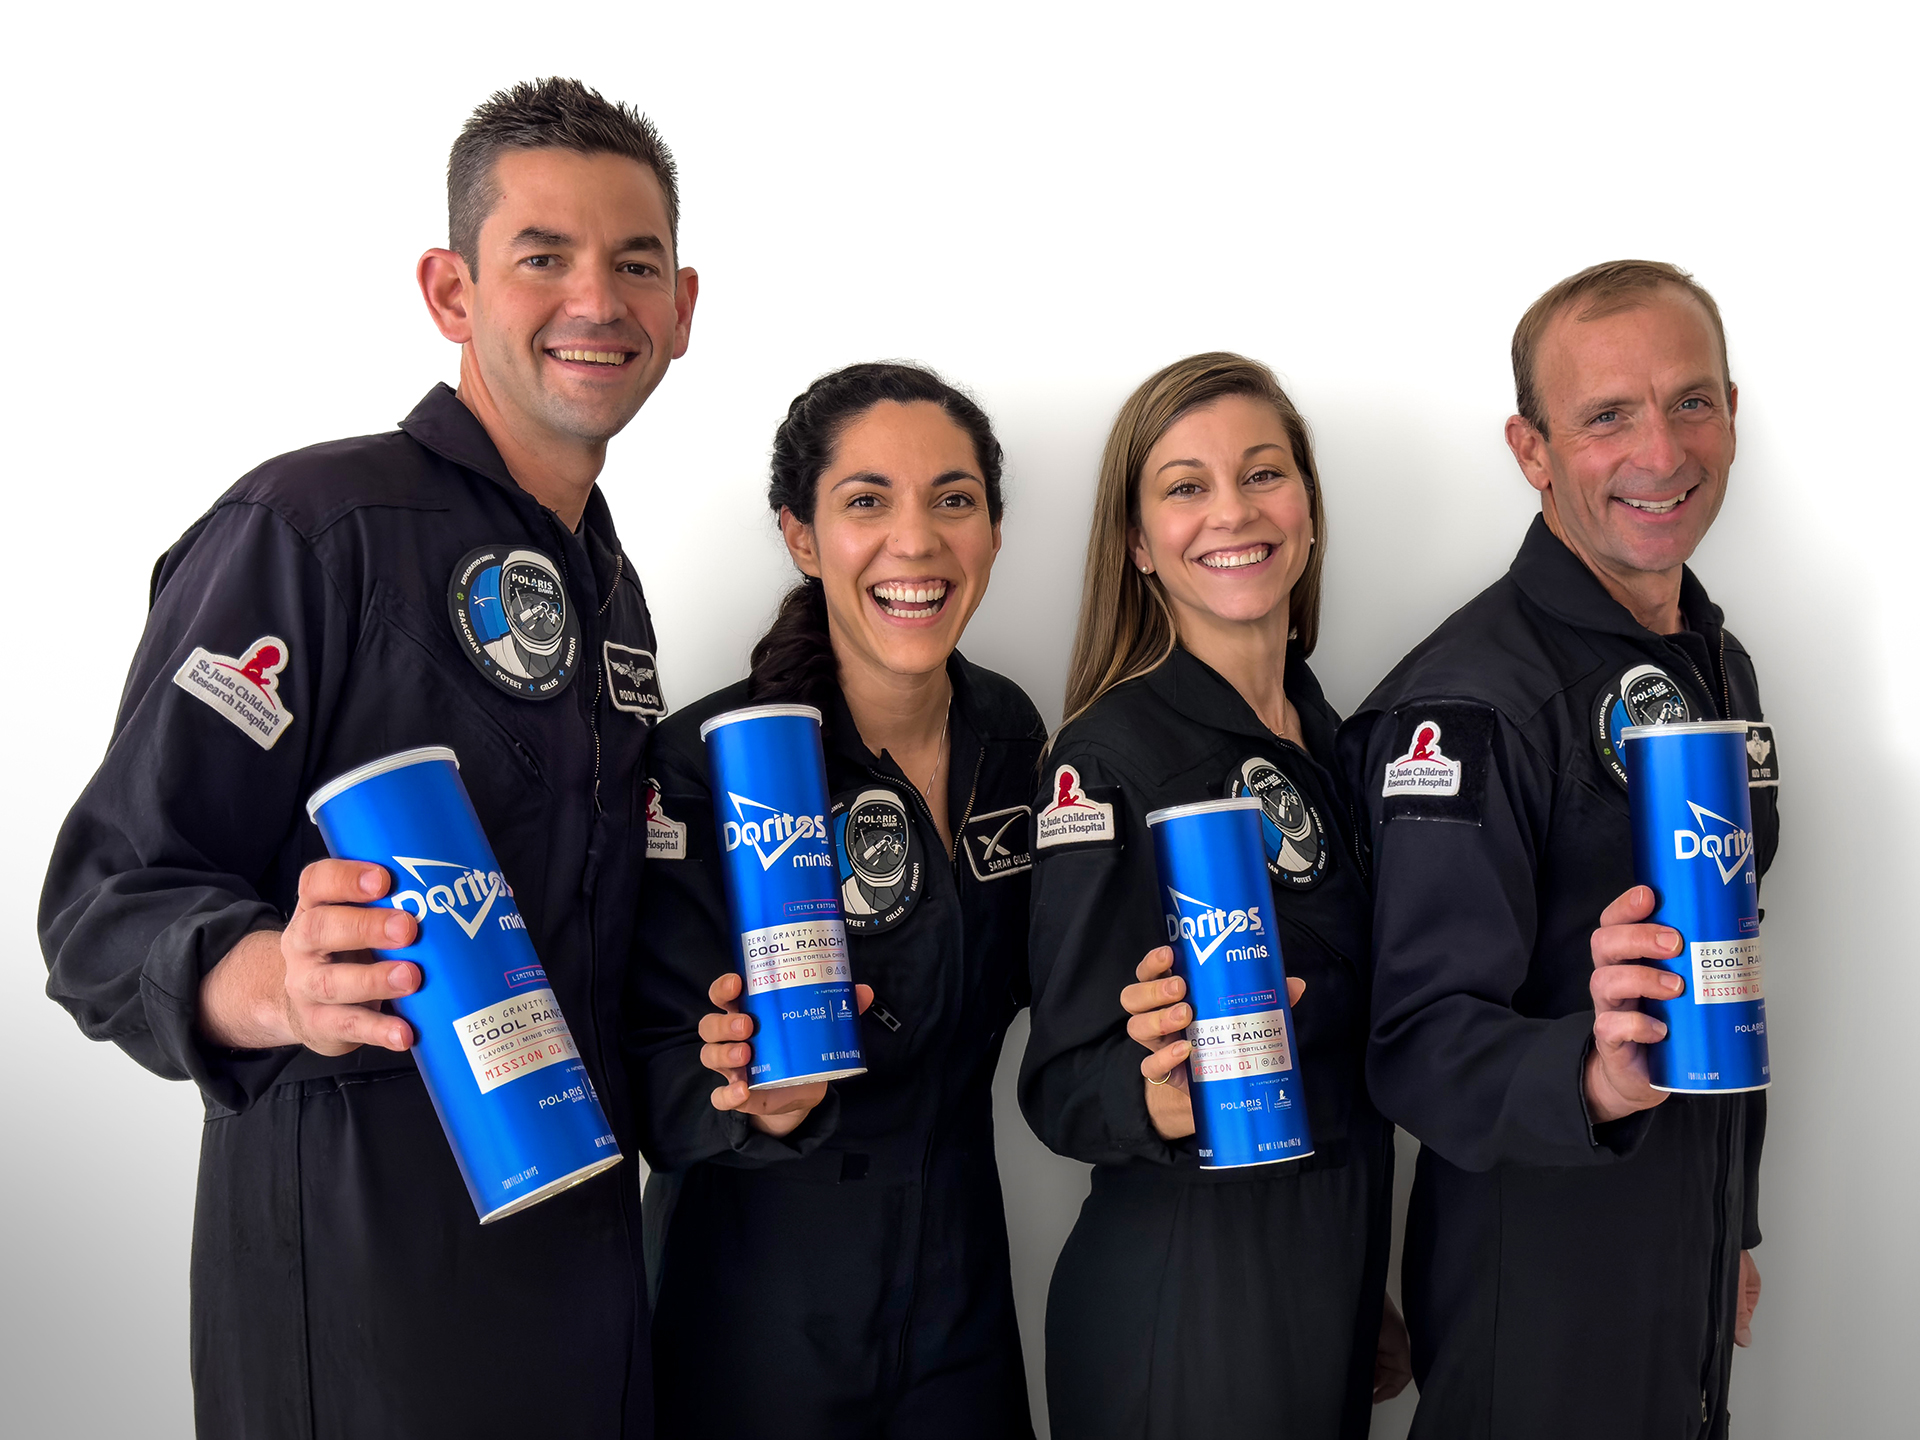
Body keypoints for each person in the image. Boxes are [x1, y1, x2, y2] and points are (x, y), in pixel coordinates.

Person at [38, 79, 696, 1439]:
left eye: (634, 264)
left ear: (683, 306)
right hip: (359, 1305)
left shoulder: (609, 593)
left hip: (586, 1284)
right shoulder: (309, 526)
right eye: (543, 257)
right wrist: (265, 976)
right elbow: (105, 904)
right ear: (451, 292)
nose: (597, 299)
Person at [1339, 260, 1775, 1438]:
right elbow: (1415, 1042)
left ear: (1733, 409)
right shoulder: (1472, 704)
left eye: (1691, 401)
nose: (1662, 452)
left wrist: (1725, 1220)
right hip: (1535, 1292)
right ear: (1531, 451)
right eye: (1606, 417)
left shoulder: (1710, 661)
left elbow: (1723, 962)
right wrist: (1591, 1075)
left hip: (1674, 1263)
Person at [626, 362, 1044, 1438]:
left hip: (961, 1302)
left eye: (954, 499)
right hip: (759, 1315)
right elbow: (639, 1069)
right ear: (802, 538)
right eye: (867, 502)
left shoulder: (1014, 740)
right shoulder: (705, 766)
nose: (916, 541)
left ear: (993, 530)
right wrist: (738, 1095)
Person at [1020, 353, 1409, 1440]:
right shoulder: (1107, 760)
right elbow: (1058, 1084)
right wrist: (1155, 1092)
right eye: (1185, 485)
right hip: (1186, 1301)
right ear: (1138, 544)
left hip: (1321, 1277)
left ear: (1310, 511)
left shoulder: (1345, 745)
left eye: (1263, 473)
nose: (1231, 510)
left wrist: (1351, 1269)